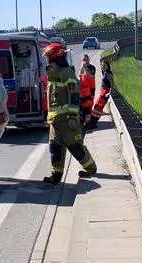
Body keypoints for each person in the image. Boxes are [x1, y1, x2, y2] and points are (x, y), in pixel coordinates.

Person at [42, 43, 97, 185]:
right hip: (54, 120)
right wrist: (47, 117)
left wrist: (72, 116)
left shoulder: (67, 73)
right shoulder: (51, 75)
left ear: (55, 57)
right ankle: (56, 175)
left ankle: (90, 168)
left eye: (49, 57)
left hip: (67, 119)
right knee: (55, 148)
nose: (47, 60)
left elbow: (74, 95)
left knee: (75, 146)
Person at [84, 60, 114, 130]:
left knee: (97, 108)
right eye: (102, 65)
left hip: (104, 93)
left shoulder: (108, 73)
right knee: (98, 109)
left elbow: (112, 84)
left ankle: (92, 124)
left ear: (107, 65)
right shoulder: (105, 72)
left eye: (104, 65)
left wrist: (109, 93)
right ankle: (93, 124)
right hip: (103, 92)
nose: (102, 66)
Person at [79, 54, 96, 128]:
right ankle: (84, 122)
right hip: (83, 90)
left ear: (88, 59)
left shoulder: (92, 67)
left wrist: (86, 68)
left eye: (85, 59)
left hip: (90, 90)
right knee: (83, 107)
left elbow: (90, 76)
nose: (84, 61)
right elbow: (80, 78)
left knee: (88, 106)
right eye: (83, 60)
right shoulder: (81, 68)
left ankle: (89, 124)